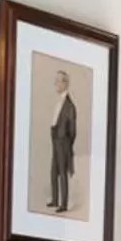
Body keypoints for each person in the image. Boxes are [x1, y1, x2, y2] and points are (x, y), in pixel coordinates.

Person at [48, 68, 76, 212]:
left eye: (58, 81)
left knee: (62, 173)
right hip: (55, 140)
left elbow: (72, 131)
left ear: (65, 84)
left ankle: (63, 204)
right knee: (54, 171)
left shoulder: (69, 106)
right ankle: (54, 199)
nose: (55, 83)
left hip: (63, 142)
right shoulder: (59, 102)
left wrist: (66, 144)